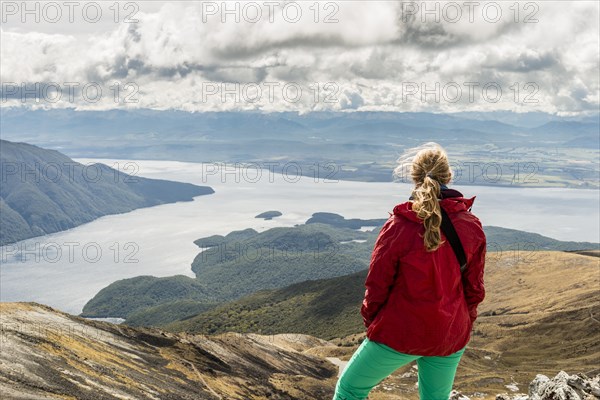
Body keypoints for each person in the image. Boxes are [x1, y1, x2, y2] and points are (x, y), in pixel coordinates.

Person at [332, 142, 487, 400]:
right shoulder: (471, 226)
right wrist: (463, 322)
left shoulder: (399, 226)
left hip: (399, 332)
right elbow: (474, 288)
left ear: (414, 178)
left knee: (349, 389)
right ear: (449, 177)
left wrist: (375, 327)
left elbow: (377, 286)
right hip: (449, 334)